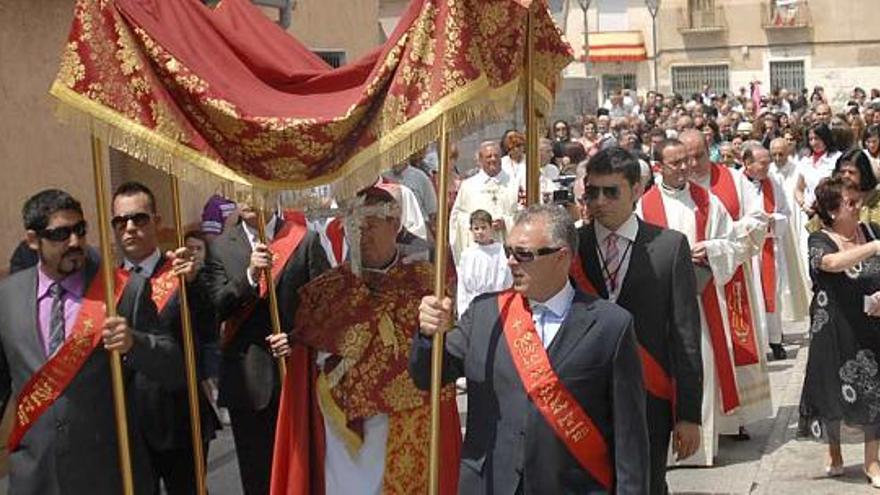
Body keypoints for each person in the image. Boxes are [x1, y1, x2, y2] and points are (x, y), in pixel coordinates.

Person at [413, 204, 650, 494]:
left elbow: (630, 438)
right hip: (490, 483)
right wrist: (427, 335)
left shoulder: (611, 325)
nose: (511, 262)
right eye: (508, 252)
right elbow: (428, 376)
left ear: (561, 257)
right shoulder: (484, 314)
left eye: (523, 254)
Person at [268, 185, 461, 494]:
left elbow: (444, 356)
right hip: (342, 431)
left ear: (395, 225)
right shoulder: (325, 291)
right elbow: (309, 352)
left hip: (409, 420)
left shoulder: (427, 282)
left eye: (370, 226)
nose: (361, 235)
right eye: (353, 227)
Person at [0, 189, 184, 494]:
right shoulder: (7, 297)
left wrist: (134, 344)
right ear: (33, 240)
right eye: (60, 234)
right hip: (36, 473)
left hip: (107, 472)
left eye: (80, 230)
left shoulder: (125, 291)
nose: (74, 242)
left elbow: (174, 367)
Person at [572, 147, 703, 494]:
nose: (600, 201)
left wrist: (688, 414)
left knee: (647, 485)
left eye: (611, 191)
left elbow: (685, 334)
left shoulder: (669, 246)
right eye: (592, 192)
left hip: (649, 398)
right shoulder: (571, 246)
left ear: (637, 190)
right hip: (583, 400)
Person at [199, 200, 329, 495]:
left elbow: (326, 305)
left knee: (300, 474)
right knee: (257, 478)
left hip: (294, 378)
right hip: (248, 383)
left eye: (255, 190)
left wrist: (297, 336)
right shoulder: (220, 247)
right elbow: (215, 309)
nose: (248, 198)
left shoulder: (303, 240)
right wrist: (249, 277)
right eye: (240, 191)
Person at [636, 139, 742, 467]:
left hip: (698, 298)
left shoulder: (707, 201)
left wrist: (710, 249)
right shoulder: (643, 206)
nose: (684, 168)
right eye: (675, 163)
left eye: (686, 161)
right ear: (658, 167)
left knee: (700, 365)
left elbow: (734, 243)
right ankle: (665, 448)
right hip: (658, 303)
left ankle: (700, 447)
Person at [110, 182, 221, 494]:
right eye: (120, 222)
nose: (129, 228)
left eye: (139, 219)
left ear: (157, 222)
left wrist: (193, 285)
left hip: (180, 420)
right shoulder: (106, 284)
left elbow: (208, 331)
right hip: (129, 425)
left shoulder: (182, 273)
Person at [680, 130, 773, 440]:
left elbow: (759, 220)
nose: (693, 164)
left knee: (735, 345)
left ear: (712, 152)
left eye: (699, 156)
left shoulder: (734, 180)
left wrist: (724, 240)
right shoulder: (678, 188)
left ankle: (738, 417)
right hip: (693, 280)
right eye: (687, 157)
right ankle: (709, 420)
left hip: (732, 277)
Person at [798, 176, 880, 487]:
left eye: (859, 200)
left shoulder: (871, 231)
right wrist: (871, 249)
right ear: (833, 211)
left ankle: (873, 462)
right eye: (851, 203)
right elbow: (830, 263)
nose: (859, 208)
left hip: (870, 327)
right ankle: (834, 453)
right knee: (832, 391)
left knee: (874, 390)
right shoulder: (819, 239)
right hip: (832, 327)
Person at [741, 143, 794, 360]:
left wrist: (773, 220)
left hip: (768, 249)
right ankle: (756, 342)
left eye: (768, 163)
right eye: (762, 163)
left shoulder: (774, 182)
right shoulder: (736, 183)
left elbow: (785, 212)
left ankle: (775, 340)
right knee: (751, 295)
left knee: (771, 295)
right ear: (747, 163)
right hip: (746, 249)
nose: (767, 168)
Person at [449, 141, 518, 265]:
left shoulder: (514, 184)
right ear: (480, 160)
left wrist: (506, 222)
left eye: (496, 156)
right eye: (488, 156)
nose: (493, 159)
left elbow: (523, 214)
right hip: (479, 254)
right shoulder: (468, 186)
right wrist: (480, 225)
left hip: (506, 249)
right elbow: (457, 218)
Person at [456, 209, 513, 317]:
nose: (480, 232)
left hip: (497, 303)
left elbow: (507, 279)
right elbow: (463, 286)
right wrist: (463, 311)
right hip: (473, 304)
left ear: (491, 228)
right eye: (476, 228)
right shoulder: (467, 254)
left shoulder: (500, 251)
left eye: (483, 228)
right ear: (471, 230)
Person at [382, 153, 438, 227]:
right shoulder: (384, 177)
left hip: (417, 229)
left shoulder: (420, 177)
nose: (396, 161)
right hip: (392, 228)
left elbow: (432, 211)